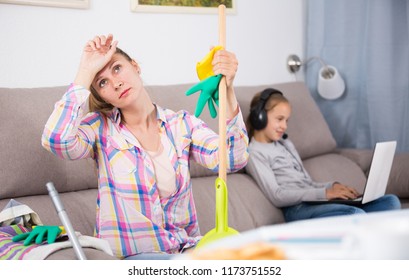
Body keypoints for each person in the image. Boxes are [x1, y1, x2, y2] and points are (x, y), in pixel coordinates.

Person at [41, 34, 249, 259]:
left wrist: (228, 90)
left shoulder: (181, 124)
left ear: (135, 67)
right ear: (101, 95)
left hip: (185, 251)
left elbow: (233, 159)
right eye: (102, 82)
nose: (115, 83)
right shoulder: (99, 129)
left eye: (117, 69)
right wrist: (85, 71)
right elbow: (56, 139)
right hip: (134, 258)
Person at [245, 88, 401, 223]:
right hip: (296, 209)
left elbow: (307, 183)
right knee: (354, 214)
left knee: (390, 201)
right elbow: (277, 196)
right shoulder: (255, 153)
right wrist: (324, 194)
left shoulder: (285, 144)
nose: (284, 126)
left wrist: (331, 187)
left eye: (287, 120)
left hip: (315, 201)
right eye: (279, 119)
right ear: (259, 117)